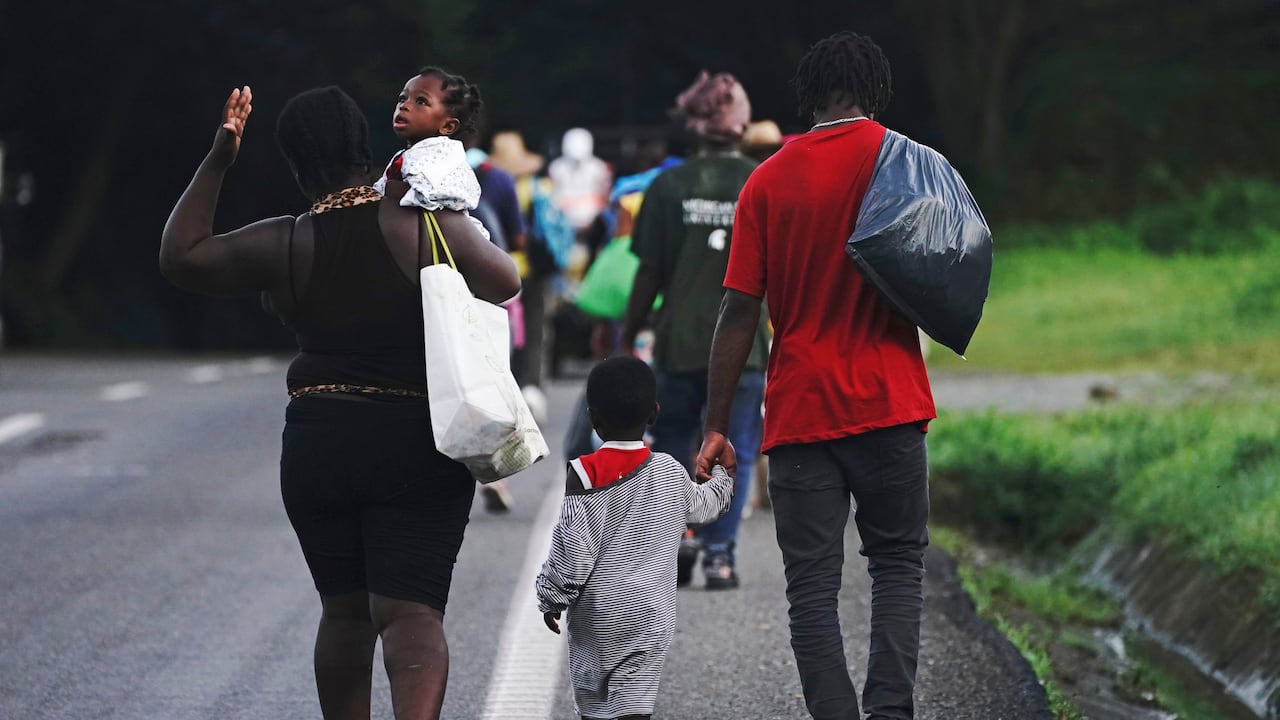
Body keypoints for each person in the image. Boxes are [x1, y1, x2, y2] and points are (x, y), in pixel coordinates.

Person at [159, 84, 520, 720]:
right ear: (365, 146)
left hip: (319, 442)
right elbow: (504, 283)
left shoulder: (287, 239)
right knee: (411, 613)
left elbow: (182, 257)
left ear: (296, 165)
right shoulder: (420, 220)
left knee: (344, 612)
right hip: (416, 441)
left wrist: (218, 158)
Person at [694, 32, 935, 720]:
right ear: (875, 89)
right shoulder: (905, 163)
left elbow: (738, 309)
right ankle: (891, 711)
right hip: (891, 403)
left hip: (801, 413)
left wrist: (716, 426)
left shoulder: (766, 180)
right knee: (895, 566)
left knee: (811, 588)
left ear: (808, 96)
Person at [617, 70, 769, 590]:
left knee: (677, 441)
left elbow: (648, 273)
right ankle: (720, 555)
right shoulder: (760, 181)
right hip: (745, 347)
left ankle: (681, 535)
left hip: (679, 342)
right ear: (740, 121)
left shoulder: (667, 186)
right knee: (736, 447)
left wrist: (625, 337)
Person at [535, 356, 733, 720]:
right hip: (649, 615)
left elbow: (571, 549)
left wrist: (552, 596)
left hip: (598, 615)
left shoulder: (584, 473)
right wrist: (723, 474)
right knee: (634, 702)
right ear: (654, 413)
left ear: (593, 419)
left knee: (594, 700)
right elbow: (706, 508)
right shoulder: (670, 471)